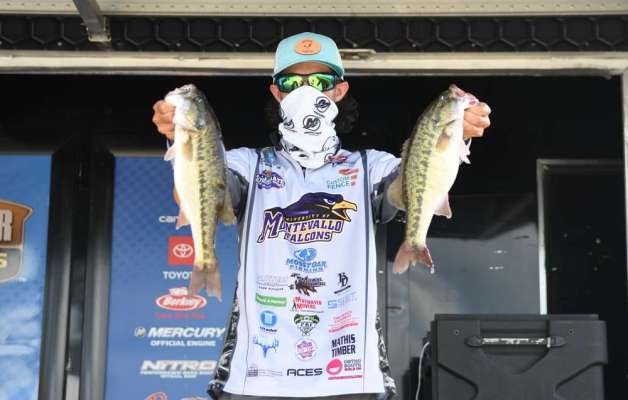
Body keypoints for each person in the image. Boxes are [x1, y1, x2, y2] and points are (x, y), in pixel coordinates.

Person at [152, 32, 491, 400]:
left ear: (339, 91)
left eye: (319, 82)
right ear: (277, 93)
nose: (305, 91)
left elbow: (417, 184)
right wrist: (181, 139)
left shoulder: (370, 167)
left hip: (352, 374)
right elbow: (198, 191)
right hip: (256, 376)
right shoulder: (247, 164)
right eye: (292, 83)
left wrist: (457, 135)